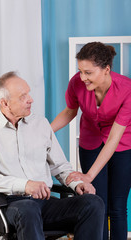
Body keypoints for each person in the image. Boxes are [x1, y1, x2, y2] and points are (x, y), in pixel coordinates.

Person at [0, 71, 104, 240]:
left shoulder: (41, 124)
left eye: (29, 93)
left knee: (93, 203)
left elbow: (60, 167)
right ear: (5, 104)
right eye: (22, 96)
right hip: (8, 205)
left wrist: (77, 184)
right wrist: (24, 185)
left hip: (45, 203)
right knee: (27, 208)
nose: (30, 99)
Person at [51, 42, 131, 240]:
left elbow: (114, 138)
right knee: (97, 203)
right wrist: (44, 132)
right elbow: (70, 111)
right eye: (80, 71)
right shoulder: (76, 83)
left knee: (118, 205)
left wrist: (89, 175)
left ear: (106, 69)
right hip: (90, 142)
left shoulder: (127, 89)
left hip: (122, 144)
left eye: (88, 72)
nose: (83, 77)